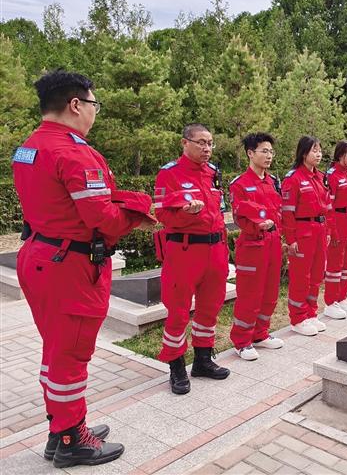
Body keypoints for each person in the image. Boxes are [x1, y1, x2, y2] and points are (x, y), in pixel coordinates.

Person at [12, 70, 155, 467]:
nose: (95, 112)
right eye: (94, 104)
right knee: (71, 354)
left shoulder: (28, 147)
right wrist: (138, 213)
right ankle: (73, 438)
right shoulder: (74, 153)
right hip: (70, 266)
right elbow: (103, 219)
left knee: (56, 349)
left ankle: (60, 427)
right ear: (75, 105)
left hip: (40, 255)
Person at [154, 123, 231, 395]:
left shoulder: (213, 172)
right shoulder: (169, 174)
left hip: (215, 250)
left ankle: (202, 360)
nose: (207, 148)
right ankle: (176, 366)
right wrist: (186, 214)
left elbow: (219, 211)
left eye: (210, 143)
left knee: (210, 307)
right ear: (184, 143)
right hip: (185, 252)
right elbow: (161, 214)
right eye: (201, 142)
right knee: (178, 311)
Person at [228, 133, 286, 360]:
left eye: (271, 151)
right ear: (250, 153)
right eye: (264, 151)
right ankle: (242, 341)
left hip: (273, 242)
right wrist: (258, 224)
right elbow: (239, 215)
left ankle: (260, 334)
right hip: (253, 243)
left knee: (270, 292)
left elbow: (278, 211)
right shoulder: (240, 184)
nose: (269, 155)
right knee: (250, 294)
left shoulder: (272, 182)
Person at [281, 136, 331, 335]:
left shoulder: (320, 177)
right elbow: (287, 212)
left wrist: (328, 231)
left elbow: (327, 207)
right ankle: (298, 318)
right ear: (303, 153)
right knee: (301, 277)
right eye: (314, 151)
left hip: (320, 229)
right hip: (303, 231)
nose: (318, 154)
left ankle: (311, 313)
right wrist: (291, 239)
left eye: (319, 150)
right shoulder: (293, 178)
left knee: (317, 275)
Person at [323, 141, 347, 319]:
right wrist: (332, 230)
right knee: (335, 263)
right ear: (340, 155)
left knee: (346, 262)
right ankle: (331, 302)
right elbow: (329, 206)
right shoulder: (332, 175)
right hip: (339, 220)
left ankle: (342, 297)